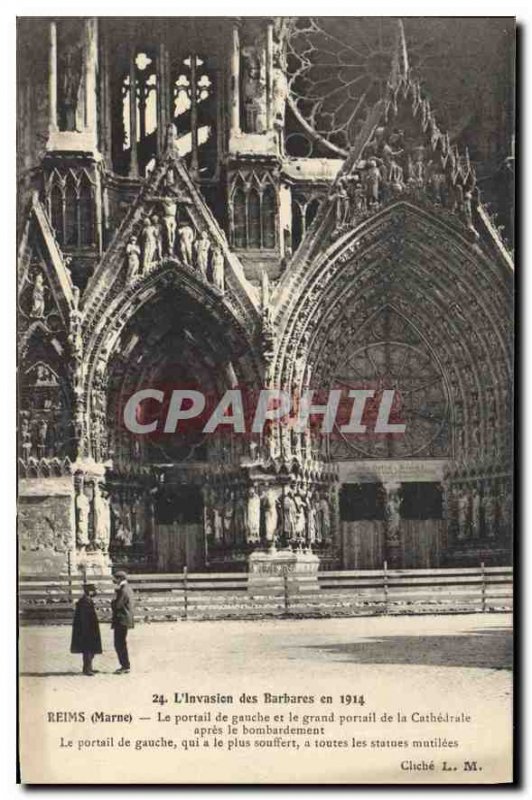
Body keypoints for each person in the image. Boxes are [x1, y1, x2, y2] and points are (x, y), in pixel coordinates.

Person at [70, 584, 102, 676]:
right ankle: (87, 669)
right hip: (87, 630)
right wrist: (87, 631)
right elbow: (84, 619)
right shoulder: (85, 602)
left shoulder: (87, 600)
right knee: (88, 650)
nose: (95, 592)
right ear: (89, 591)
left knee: (90, 650)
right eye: (93, 591)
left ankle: (89, 667)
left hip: (89, 629)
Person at [111, 570, 135, 674]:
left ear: (120, 579)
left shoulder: (122, 590)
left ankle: (125, 666)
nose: (114, 580)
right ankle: (125, 665)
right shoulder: (128, 588)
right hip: (125, 619)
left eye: (115, 579)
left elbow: (117, 605)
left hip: (121, 620)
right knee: (121, 643)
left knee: (119, 643)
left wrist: (112, 602)